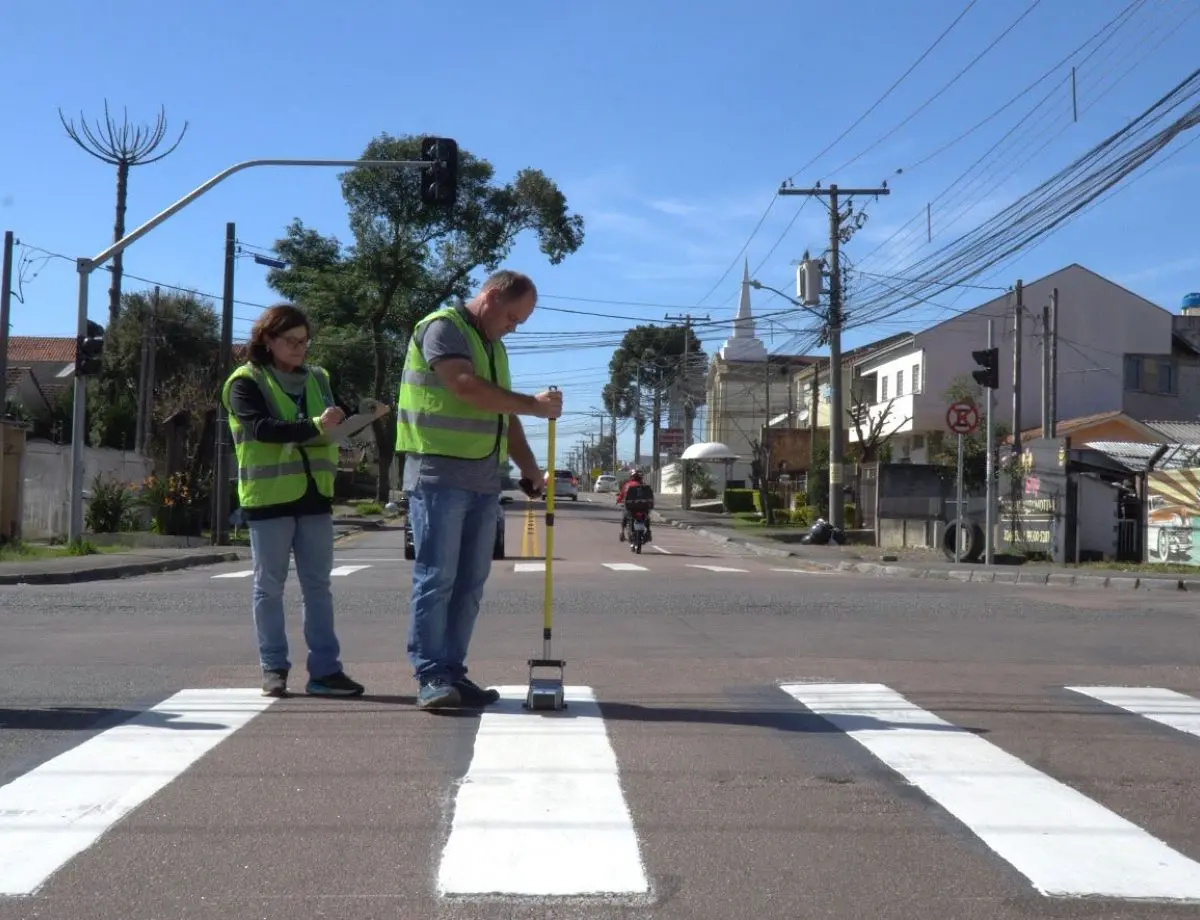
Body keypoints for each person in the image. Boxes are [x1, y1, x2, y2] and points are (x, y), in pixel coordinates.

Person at [396, 269, 562, 710]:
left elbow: (503, 417)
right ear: (489, 298)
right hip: (438, 474)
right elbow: (463, 386)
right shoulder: (443, 328)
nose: (513, 326)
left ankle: (453, 670)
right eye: (511, 317)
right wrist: (533, 404)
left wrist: (531, 470)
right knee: (437, 578)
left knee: (470, 583)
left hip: (484, 480)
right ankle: (431, 676)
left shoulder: (494, 348)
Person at [221, 303, 365, 700]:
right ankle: (274, 668)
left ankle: (326, 671)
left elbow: (329, 425)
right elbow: (262, 428)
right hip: (269, 499)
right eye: (291, 341)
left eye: (304, 341)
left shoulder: (318, 377)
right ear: (267, 339)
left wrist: (346, 421)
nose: (300, 348)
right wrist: (319, 425)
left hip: (315, 495)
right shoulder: (245, 381)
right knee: (269, 587)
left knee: (318, 586)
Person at [617, 470, 655, 542]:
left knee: (625, 517)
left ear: (631, 477)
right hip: (643, 507)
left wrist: (618, 500)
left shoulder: (627, 485)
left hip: (631, 508)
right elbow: (649, 496)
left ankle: (622, 532)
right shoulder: (643, 486)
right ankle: (648, 531)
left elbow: (621, 495)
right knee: (646, 517)